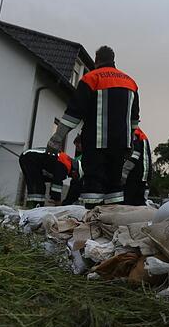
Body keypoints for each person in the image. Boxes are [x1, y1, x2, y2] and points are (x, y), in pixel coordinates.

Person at [48, 46, 139, 207]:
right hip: (121, 145)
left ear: (96, 60)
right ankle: (112, 223)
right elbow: (134, 120)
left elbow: (74, 113)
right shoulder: (130, 82)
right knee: (115, 186)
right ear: (113, 60)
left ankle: (91, 221)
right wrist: (130, 142)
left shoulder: (91, 78)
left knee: (93, 183)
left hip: (96, 144)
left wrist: (57, 138)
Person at [123, 127, 152, 206]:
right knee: (139, 205)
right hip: (143, 176)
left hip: (134, 175)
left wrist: (123, 176)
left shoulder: (132, 133)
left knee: (127, 204)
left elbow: (134, 156)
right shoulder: (139, 133)